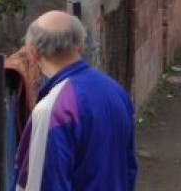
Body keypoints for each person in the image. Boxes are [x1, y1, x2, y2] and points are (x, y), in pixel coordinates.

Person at [10, 11, 137, 191]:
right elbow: (129, 167)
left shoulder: (52, 108)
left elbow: (43, 182)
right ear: (80, 46)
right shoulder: (116, 91)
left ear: (33, 54)